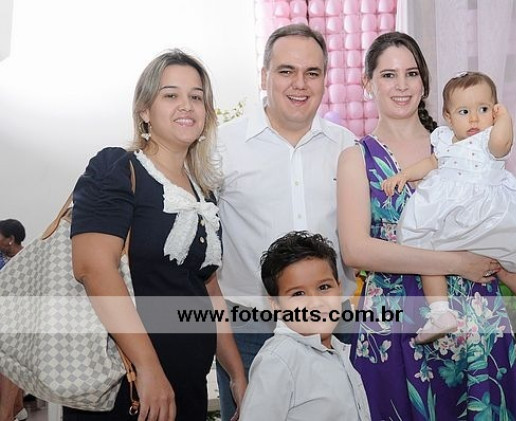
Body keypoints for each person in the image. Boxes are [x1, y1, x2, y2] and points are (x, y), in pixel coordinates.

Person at [337, 32, 516, 420]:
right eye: (389, 75)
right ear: (367, 83)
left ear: (424, 83)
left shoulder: (465, 145)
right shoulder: (355, 158)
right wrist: (456, 262)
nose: (402, 85)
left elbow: (501, 214)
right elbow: (356, 251)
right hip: (395, 317)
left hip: (475, 310)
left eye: (411, 73)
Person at [64, 49, 245, 421]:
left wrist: (236, 374)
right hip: (127, 387)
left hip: (187, 388)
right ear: (144, 110)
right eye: (170, 95)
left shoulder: (204, 195)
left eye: (196, 97)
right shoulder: (117, 168)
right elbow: (93, 269)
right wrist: (148, 368)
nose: (187, 105)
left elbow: (209, 290)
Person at [216, 23, 358, 420]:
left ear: (325, 79)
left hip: (335, 324)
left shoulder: (346, 146)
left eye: (312, 72)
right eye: (286, 71)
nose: (300, 84)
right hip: (251, 327)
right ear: (264, 76)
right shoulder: (221, 145)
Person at [381, 71, 516, 344]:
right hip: (464, 214)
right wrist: (404, 174)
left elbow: (501, 145)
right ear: (449, 117)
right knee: (493, 263)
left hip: (480, 214)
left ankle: (441, 313)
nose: (475, 119)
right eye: (464, 112)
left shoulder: (489, 139)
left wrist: (504, 119)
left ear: (494, 112)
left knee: (432, 252)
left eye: (484, 109)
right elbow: (431, 163)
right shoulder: (444, 140)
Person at [239, 231, 371, 421]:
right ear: (276, 304)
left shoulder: (339, 351)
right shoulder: (277, 362)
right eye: (298, 294)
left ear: (339, 288)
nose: (315, 303)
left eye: (324, 287)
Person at [0, 219, 28, 421]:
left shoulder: (28, 260)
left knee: (9, 367)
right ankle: (17, 409)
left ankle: (7, 415)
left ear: (10, 239)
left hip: (19, 323)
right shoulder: (1, 259)